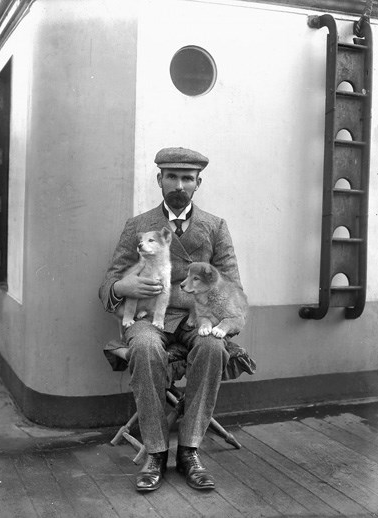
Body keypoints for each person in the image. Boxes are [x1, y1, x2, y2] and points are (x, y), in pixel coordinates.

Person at [99, 147, 245, 492]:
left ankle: (190, 450)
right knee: (146, 346)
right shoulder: (139, 226)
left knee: (213, 347)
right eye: (172, 177)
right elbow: (108, 283)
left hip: (199, 317)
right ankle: (156, 452)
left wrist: (222, 319)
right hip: (150, 315)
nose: (179, 185)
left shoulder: (214, 226)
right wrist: (123, 284)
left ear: (198, 183)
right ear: (160, 180)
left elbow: (232, 284)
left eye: (187, 179)